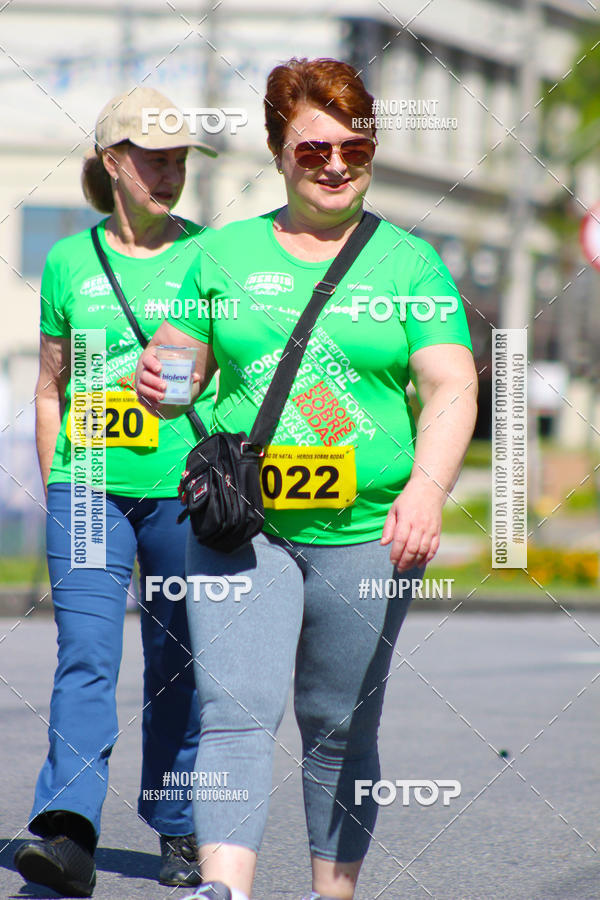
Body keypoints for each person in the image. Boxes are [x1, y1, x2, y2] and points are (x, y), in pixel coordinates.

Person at [136, 58, 478, 900]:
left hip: (369, 533)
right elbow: (182, 367)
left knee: (338, 727)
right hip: (243, 528)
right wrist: (162, 376)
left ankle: (334, 892)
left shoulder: (408, 263)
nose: (334, 164)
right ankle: (227, 889)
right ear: (278, 152)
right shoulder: (222, 256)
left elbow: (451, 383)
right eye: (313, 148)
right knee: (236, 713)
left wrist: (427, 488)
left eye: (353, 148)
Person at [15, 86, 218, 898]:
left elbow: (238, 372)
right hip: (91, 483)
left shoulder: (211, 255)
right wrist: (58, 481)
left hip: (182, 488)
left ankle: (177, 827)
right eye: (152, 157)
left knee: (179, 663)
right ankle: (68, 833)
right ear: (112, 161)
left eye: (178, 160)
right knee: (87, 656)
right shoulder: (69, 261)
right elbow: (48, 387)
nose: (168, 173)